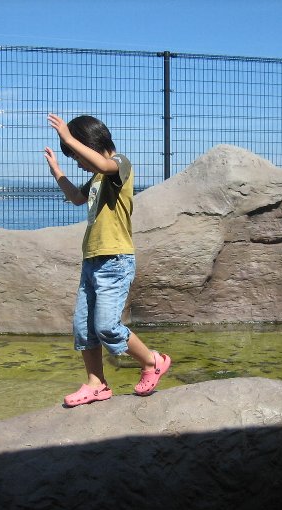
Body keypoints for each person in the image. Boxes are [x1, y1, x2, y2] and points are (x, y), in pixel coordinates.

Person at [44, 113, 171, 407]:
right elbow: (77, 198)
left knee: (107, 326)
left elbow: (103, 164)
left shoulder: (119, 164)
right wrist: (57, 171)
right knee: (83, 328)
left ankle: (152, 361)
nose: (78, 162)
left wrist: (68, 138)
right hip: (91, 260)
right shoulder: (96, 178)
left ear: (90, 142)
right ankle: (97, 384)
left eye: (78, 156)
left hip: (115, 260)